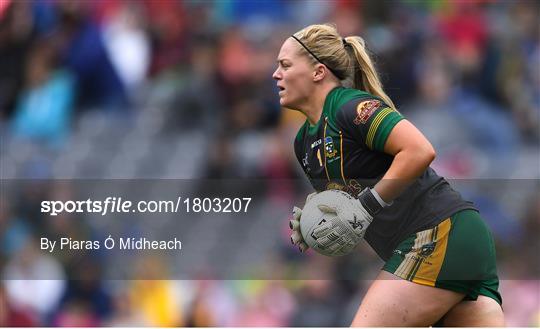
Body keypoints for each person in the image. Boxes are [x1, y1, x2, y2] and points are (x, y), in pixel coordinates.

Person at [272, 23, 504, 327]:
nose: (276, 74)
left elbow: (419, 151)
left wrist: (366, 205)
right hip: (451, 242)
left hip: (440, 233)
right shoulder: (303, 143)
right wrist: (316, 226)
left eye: (285, 65)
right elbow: (350, 215)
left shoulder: (351, 106)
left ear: (318, 72)